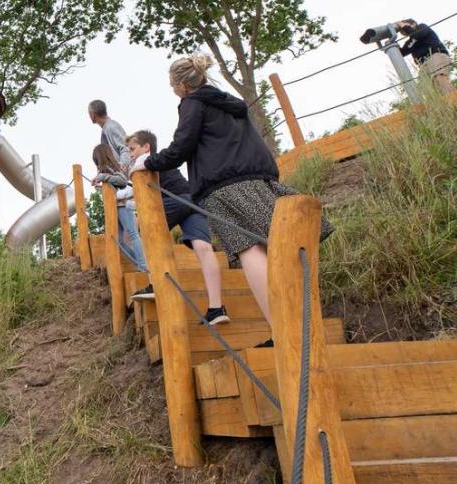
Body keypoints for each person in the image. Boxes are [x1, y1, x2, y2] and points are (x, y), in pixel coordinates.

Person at [132, 53, 332, 343]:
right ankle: (301, 327)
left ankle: (284, 331)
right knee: (273, 246)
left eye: (172, 85)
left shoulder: (192, 102)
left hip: (223, 184)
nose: (173, 90)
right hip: (259, 178)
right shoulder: (228, 102)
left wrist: (149, 163)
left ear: (181, 85)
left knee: (247, 248)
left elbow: (182, 144)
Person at [122, 129, 199, 302]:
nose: (131, 155)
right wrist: (128, 203)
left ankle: (155, 282)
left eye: (133, 149)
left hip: (175, 200)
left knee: (148, 230)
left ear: (146, 147)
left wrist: (117, 196)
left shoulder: (145, 161)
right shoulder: (159, 163)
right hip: (189, 199)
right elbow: (143, 196)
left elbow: (132, 188)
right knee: (198, 242)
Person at [90, 144, 149, 273]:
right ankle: (141, 262)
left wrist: (102, 177)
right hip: (114, 207)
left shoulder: (112, 166)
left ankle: (144, 265)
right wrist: (101, 187)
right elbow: (114, 186)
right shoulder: (104, 170)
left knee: (133, 234)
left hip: (123, 205)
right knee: (118, 241)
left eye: (96, 160)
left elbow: (122, 181)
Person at [397, 19, 454, 95]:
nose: (404, 31)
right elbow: (400, 53)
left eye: (405, 27)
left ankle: (454, 99)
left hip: (435, 56)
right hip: (423, 64)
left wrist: (402, 24)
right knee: (426, 89)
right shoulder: (410, 41)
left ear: (413, 24)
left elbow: (418, 35)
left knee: (438, 77)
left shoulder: (422, 27)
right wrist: (390, 41)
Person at [88, 99, 132, 170]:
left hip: (123, 175)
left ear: (93, 114)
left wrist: (121, 166)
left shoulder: (111, 126)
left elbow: (125, 148)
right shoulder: (106, 129)